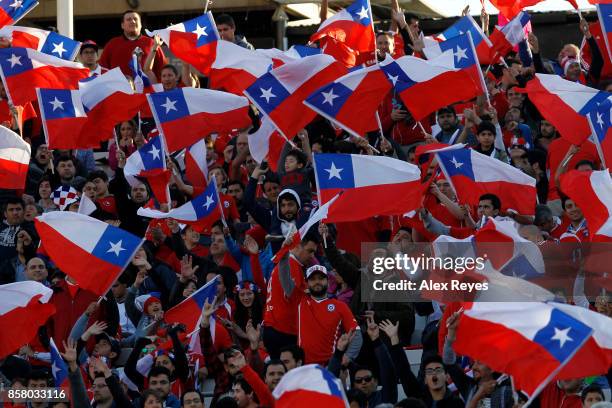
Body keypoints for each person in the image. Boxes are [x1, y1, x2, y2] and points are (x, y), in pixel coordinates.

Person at [280, 264, 362, 365]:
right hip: (305, 366)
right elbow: (284, 278)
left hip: (329, 366)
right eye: (313, 279)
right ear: (307, 283)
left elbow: (357, 334)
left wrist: (347, 358)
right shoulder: (300, 301)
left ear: (328, 282)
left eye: (321, 278)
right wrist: (284, 255)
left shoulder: (340, 306)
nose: (317, 282)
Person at [262, 233, 319, 359]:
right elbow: (291, 294)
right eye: (310, 251)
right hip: (282, 330)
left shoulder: (293, 265)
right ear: (297, 246)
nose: (312, 256)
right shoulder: (292, 265)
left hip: (275, 327)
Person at [99, 10, 168, 78]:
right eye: (129, 19)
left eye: (135, 19)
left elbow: (163, 69)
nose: (133, 21)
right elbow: (102, 69)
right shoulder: (112, 44)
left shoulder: (152, 43)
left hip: (147, 88)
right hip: (120, 88)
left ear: (141, 24)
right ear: (122, 25)